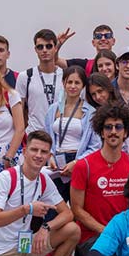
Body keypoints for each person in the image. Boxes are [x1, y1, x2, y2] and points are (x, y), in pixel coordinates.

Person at [70, 101, 129, 256]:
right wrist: (106, 231)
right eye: (108, 127)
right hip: (94, 236)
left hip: (127, 235)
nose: (113, 131)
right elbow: (77, 210)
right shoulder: (83, 166)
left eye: (118, 127)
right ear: (101, 132)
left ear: (125, 132)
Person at [44, 66, 94, 199]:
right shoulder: (53, 109)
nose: (72, 86)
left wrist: (77, 163)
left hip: (78, 160)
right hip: (56, 162)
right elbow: (46, 138)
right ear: (63, 83)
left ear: (83, 85)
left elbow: (95, 146)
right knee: (53, 206)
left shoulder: (90, 112)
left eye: (77, 83)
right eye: (69, 82)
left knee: (78, 205)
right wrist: (50, 157)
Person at [82, 74, 129, 159]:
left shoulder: (127, 112)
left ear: (108, 89)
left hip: (124, 162)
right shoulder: (92, 115)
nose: (98, 97)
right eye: (93, 94)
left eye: (100, 91)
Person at [16, 29, 64, 134]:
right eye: (40, 47)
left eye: (49, 46)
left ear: (55, 48)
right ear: (36, 50)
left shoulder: (65, 76)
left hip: (60, 135)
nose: (44, 50)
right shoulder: (25, 76)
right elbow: (19, 112)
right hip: (34, 135)